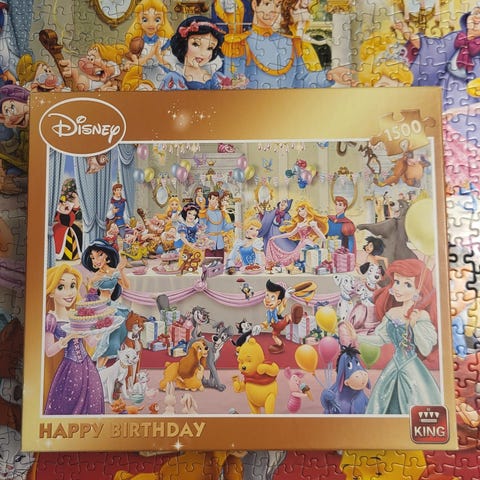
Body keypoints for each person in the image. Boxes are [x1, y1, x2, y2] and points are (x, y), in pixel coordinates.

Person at [346, 258, 441, 414]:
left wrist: (414, 326)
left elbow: (425, 349)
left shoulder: (421, 316)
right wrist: (356, 337)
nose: (398, 288)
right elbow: (381, 339)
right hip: (393, 367)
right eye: (397, 282)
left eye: (407, 284)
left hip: (412, 368)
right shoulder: (392, 313)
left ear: (419, 290)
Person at [221, 0, 353, 88]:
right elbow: (231, 87)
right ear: (255, 5)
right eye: (267, 3)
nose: (273, 10)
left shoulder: (291, 42)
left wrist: (329, 75)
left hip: (287, 113)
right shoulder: (238, 44)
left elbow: (302, 80)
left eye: (278, 4)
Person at [43, 264, 105, 414]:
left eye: (72, 286)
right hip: (69, 369)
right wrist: (68, 338)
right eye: (61, 287)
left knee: (93, 400)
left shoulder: (77, 314)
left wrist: (100, 331)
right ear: (51, 293)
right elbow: (49, 351)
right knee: (68, 404)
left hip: (88, 367)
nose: (69, 292)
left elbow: (91, 342)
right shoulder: (51, 318)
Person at [81, 239, 130, 368]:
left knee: (114, 338)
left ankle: (101, 368)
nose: (96, 260)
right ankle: (99, 368)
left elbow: (126, 285)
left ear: (107, 255)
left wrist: (121, 271)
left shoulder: (114, 272)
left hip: (112, 307)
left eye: (99, 255)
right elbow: (91, 296)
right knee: (102, 339)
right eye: (93, 258)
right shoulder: (95, 277)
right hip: (101, 307)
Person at [160, 16, 227, 90]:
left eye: (209, 48)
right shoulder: (173, 79)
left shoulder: (216, 78)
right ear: (184, 44)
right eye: (196, 44)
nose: (203, 53)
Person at [265, 200, 327, 267]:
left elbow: (323, 237)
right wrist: (275, 237)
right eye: (299, 211)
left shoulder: (312, 223)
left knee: (294, 258)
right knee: (292, 258)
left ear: (308, 209)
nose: (301, 212)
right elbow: (290, 234)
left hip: (308, 244)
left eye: (302, 209)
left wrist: (322, 245)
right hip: (301, 244)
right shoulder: (299, 224)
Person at [262, 279, 303, 354]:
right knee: (274, 336)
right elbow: (268, 321)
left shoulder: (276, 309)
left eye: (272, 297)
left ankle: (293, 318)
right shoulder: (270, 311)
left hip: (279, 324)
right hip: (275, 326)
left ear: (278, 301)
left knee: (287, 317)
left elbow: (281, 306)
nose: (267, 300)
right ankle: (280, 345)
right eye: (267, 296)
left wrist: (286, 297)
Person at [201, 191, 235, 259]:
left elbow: (225, 227)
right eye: (213, 199)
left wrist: (234, 225)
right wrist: (206, 240)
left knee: (220, 264)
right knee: (209, 264)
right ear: (209, 199)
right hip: (209, 245)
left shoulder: (221, 213)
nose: (215, 201)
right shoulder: (204, 213)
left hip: (220, 244)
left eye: (216, 199)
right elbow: (201, 229)